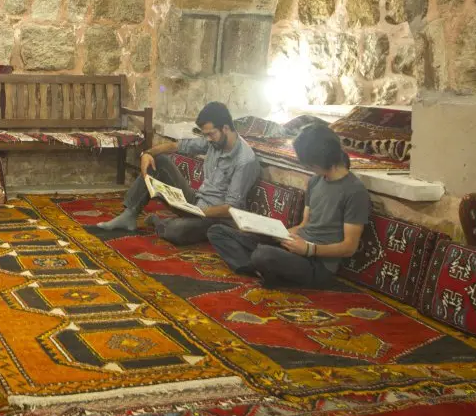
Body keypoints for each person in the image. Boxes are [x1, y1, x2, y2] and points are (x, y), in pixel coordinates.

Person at [208, 123, 368, 288]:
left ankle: (261, 266)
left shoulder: (355, 191)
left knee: (263, 254)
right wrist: (278, 233)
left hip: (317, 265)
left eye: (307, 163)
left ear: (318, 161)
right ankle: (258, 269)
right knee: (217, 231)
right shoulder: (315, 181)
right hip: (294, 249)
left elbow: (349, 247)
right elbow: (304, 225)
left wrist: (309, 249)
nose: (306, 167)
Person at [96, 101, 260, 245]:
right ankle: (129, 215)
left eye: (211, 134)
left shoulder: (245, 160)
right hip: (196, 202)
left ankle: (159, 222)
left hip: (216, 218)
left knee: (177, 231)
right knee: (159, 161)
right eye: (206, 135)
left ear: (225, 128)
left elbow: (231, 208)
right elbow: (177, 146)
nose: (208, 139)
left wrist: (199, 213)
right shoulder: (215, 141)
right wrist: (148, 153)